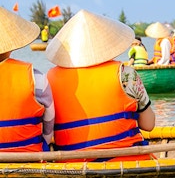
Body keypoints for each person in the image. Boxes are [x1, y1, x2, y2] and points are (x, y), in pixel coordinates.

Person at [46, 10, 156, 159]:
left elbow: (47, 130)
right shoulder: (125, 73)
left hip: (72, 164)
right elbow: (149, 125)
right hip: (125, 162)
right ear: (107, 43)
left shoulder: (50, 77)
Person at [0, 8, 55, 153]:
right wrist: (45, 142)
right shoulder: (35, 77)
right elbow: (49, 122)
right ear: (11, 45)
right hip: (28, 155)